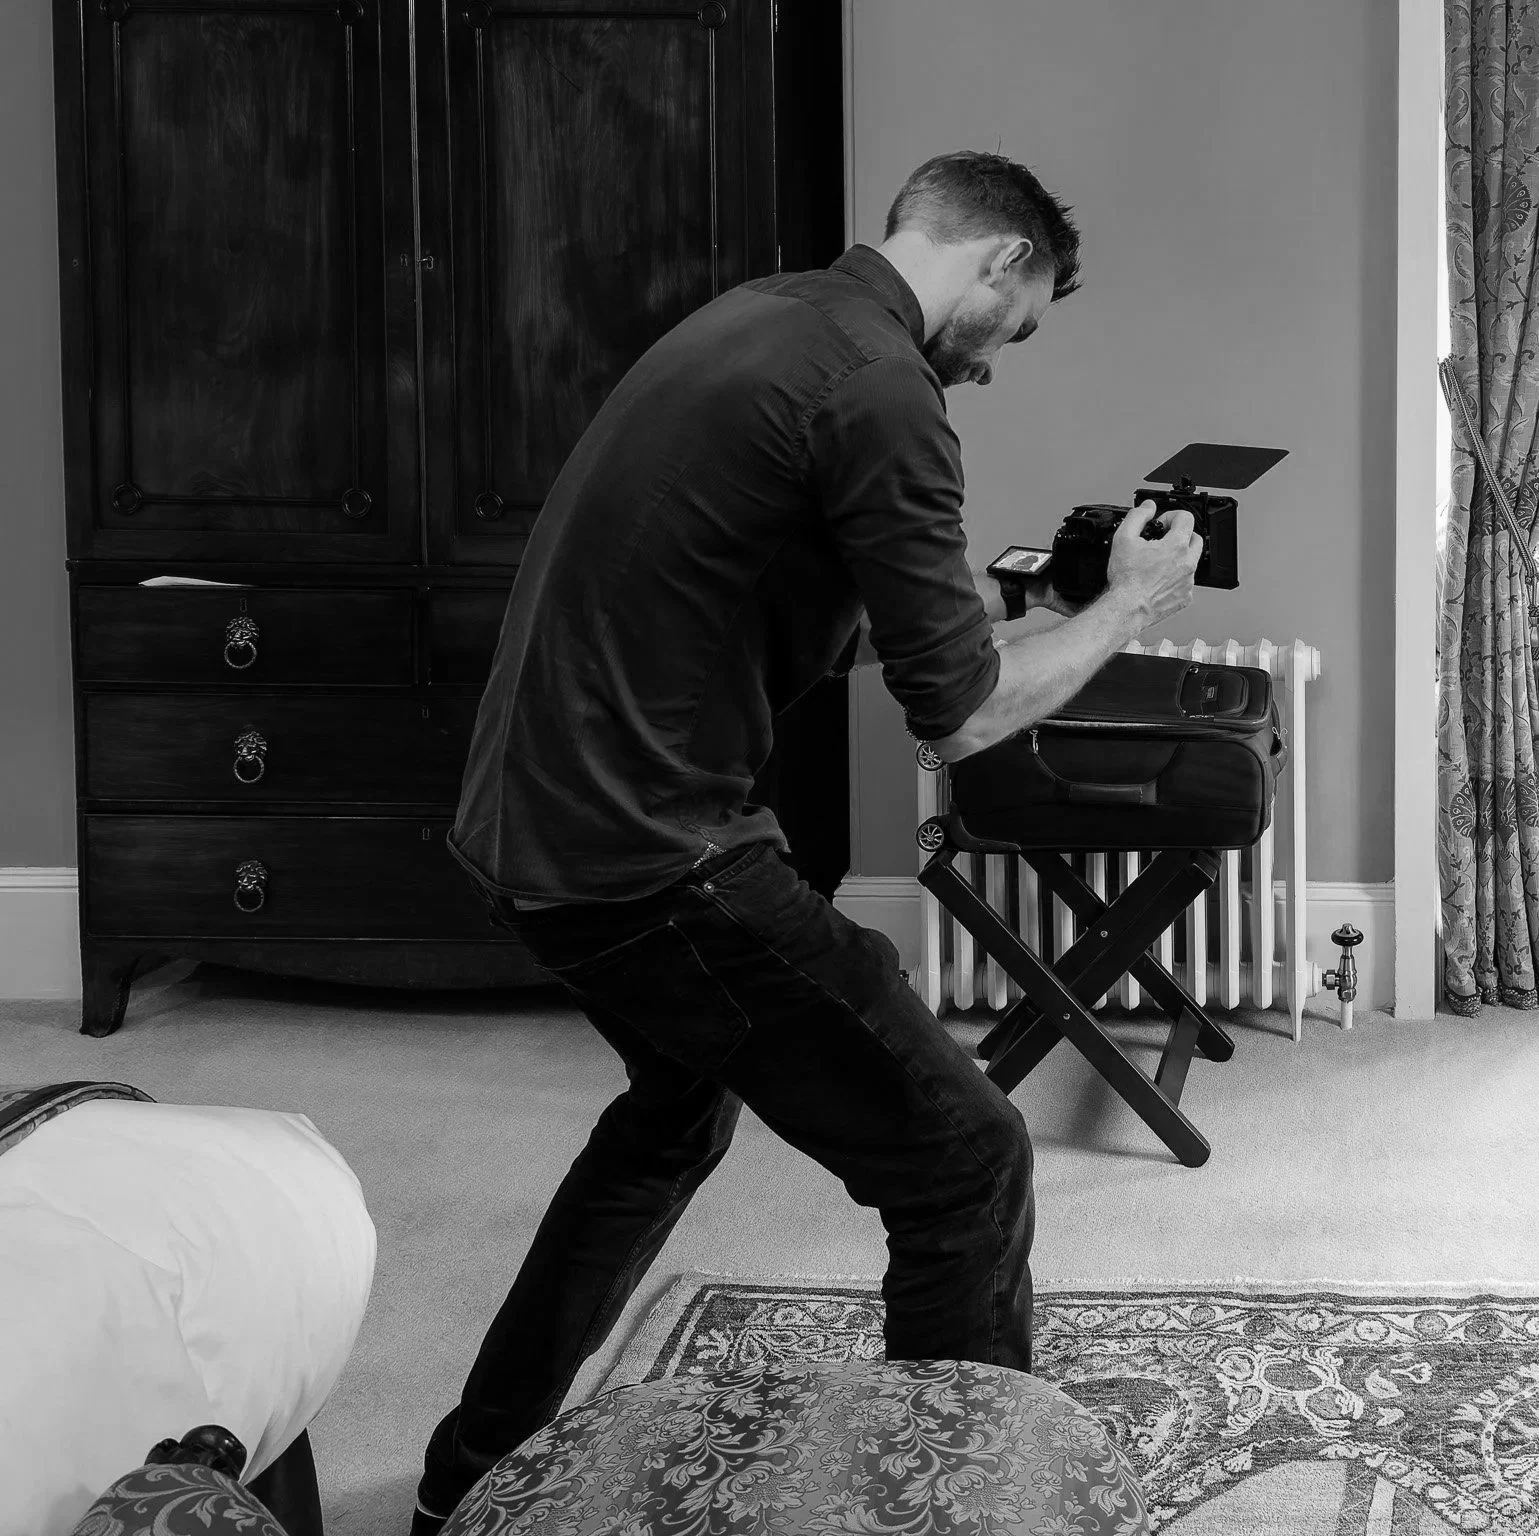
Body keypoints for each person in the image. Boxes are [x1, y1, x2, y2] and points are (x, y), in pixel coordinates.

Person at [409, 151, 1204, 1533]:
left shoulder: (772, 321)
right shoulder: (885, 390)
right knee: (964, 1158)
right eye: (1017, 329)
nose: (1003, 364)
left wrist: (1056, 606)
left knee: (666, 1122)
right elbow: (960, 723)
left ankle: (465, 1482)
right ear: (1000, 263)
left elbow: (915, 653)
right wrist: (1129, 608)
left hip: (531, 827)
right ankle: (951, 1508)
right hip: (650, 859)